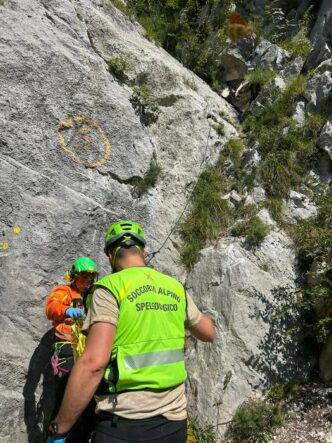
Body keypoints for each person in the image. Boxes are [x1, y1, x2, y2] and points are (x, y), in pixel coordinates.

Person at [47, 221, 215, 443]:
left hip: (125, 423)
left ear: (110, 255)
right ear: (143, 250)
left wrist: (60, 429)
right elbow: (208, 332)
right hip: (175, 425)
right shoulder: (174, 287)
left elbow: (93, 364)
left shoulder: (110, 288)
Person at [45, 256, 98, 442]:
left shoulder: (92, 296)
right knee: (65, 394)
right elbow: (51, 307)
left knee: (89, 398)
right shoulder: (65, 291)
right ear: (74, 276)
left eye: (91, 278)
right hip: (66, 349)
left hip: (86, 351)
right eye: (84, 277)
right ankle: (57, 437)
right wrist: (66, 310)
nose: (87, 281)